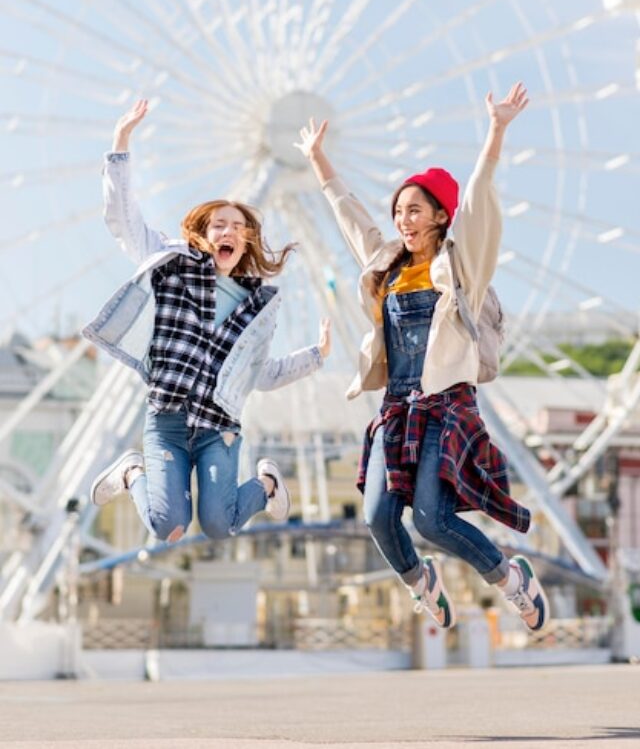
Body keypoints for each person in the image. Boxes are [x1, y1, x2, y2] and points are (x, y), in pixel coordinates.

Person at [294, 83, 549, 632]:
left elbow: (480, 203)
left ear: (439, 215)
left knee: (433, 519)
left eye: (414, 210)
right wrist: (319, 162)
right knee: (377, 516)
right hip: (396, 407)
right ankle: (421, 582)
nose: (403, 220)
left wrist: (496, 132)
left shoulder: (462, 269)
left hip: (446, 406)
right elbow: (351, 219)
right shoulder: (384, 265)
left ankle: (512, 581)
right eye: (398, 211)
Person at [84, 99, 331, 544]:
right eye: (218, 224)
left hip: (220, 427)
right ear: (203, 233)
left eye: (237, 226)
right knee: (168, 527)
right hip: (167, 420)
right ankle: (132, 472)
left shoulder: (257, 308)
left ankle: (268, 485)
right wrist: (121, 145)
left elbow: (263, 374)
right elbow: (123, 221)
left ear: (247, 240)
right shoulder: (172, 266)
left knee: (221, 525)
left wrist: (317, 356)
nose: (227, 231)